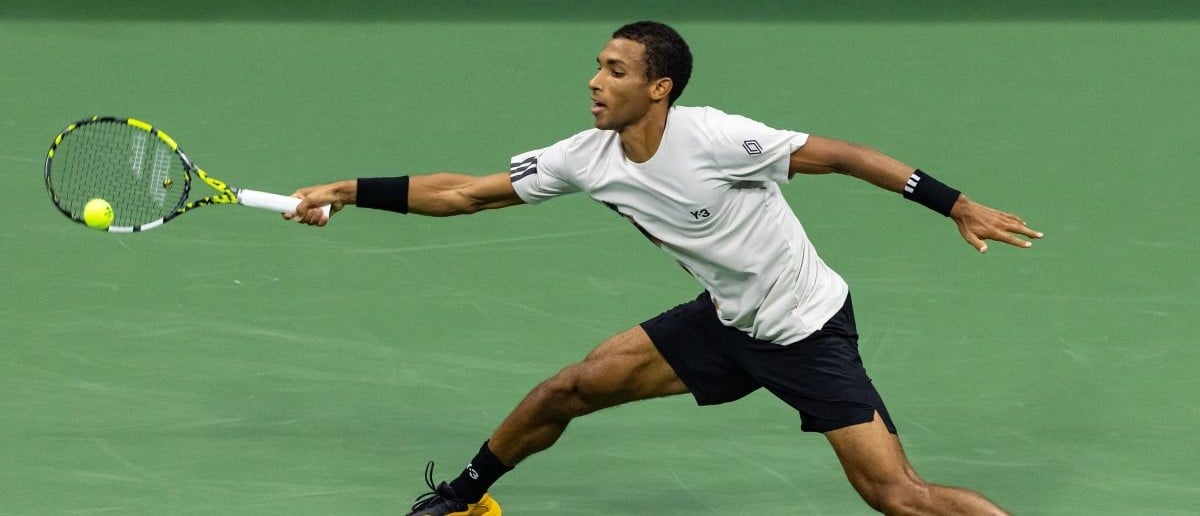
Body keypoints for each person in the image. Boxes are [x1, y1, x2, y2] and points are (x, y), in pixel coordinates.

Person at [287, 20, 1041, 516]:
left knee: (898, 498)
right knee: (567, 389)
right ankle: (465, 500)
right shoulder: (584, 157)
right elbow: (466, 194)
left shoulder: (717, 138)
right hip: (724, 320)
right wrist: (345, 191)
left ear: (659, 88)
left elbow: (840, 156)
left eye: (614, 70)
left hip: (806, 331)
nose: (594, 80)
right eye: (596, 65)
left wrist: (955, 204)